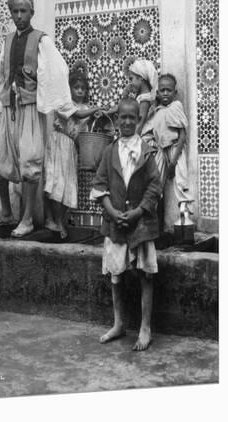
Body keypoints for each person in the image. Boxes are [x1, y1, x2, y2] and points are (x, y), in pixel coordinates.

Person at [0, 0, 76, 238]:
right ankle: (5, 212)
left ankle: (28, 219)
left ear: (32, 12)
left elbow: (57, 72)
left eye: (23, 11)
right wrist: (0, 100)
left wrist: (53, 105)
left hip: (32, 109)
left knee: (31, 164)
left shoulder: (42, 40)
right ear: (10, 13)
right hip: (11, 108)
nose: (19, 15)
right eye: (15, 11)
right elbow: (1, 72)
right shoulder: (7, 40)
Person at [90, 98, 162, 351]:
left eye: (133, 117)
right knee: (116, 275)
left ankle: (145, 327)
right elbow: (100, 186)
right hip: (116, 224)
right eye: (124, 117)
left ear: (138, 120)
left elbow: (155, 185)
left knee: (145, 275)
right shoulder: (109, 152)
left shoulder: (146, 150)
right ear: (117, 120)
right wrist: (111, 211)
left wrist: (139, 211)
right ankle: (119, 323)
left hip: (140, 223)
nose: (128, 121)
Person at [44, 71, 106, 239]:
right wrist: (96, 109)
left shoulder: (86, 108)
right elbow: (77, 115)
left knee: (68, 187)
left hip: (71, 147)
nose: (80, 91)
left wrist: (99, 114)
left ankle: (59, 220)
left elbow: (85, 130)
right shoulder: (65, 102)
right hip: (59, 142)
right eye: (76, 87)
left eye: (83, 88)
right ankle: (56, 221)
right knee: (57, 183)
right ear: (69, 88)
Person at [148, 73, 194, 213]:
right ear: (158, 93)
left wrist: (173, 162)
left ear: (175, 92)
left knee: (181, 180)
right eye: (162, 90)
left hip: (175, 148)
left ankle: (185, 213)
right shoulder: (158, 110)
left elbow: (182, 135)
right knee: (155, 180)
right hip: (162, 151)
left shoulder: (176, 106)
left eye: (169, 90)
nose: (166, 93)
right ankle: (150, 212)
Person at [128, 59, 158, 136]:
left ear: (141, 77)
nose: (130, 83)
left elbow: (140, 124)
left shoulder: (145, 99)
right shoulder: (142, 97)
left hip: (143, 137)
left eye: (131, 79)